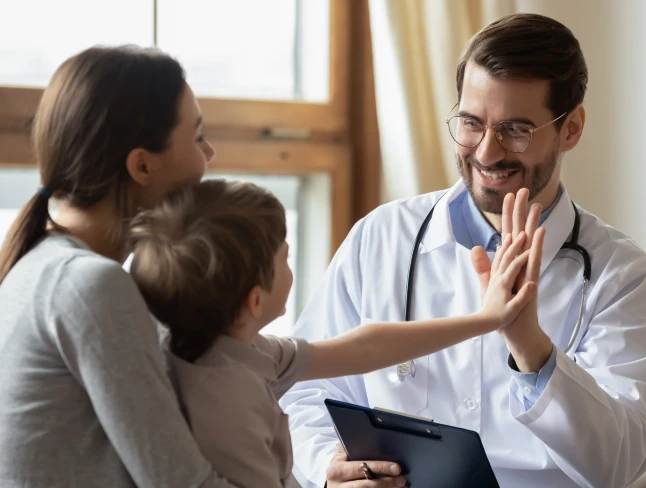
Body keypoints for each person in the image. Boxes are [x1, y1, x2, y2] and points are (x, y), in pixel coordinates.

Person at [280, 13, 646, 488]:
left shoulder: (622, 276)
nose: (487, 152)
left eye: (515, 130)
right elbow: (304, 389)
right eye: (472, 123)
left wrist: (530, 347)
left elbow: (620, 462)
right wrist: (329, 468)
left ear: (571, 128)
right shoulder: (381, 238)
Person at [127, 178, 541, 488]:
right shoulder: (227, 407)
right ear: (255, 301)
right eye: (284, 258)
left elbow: (366, 347)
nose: (292, 267)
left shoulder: (247, 351)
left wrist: (486, 320)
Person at [0, 46, 241, 487]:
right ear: (142, 165)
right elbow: (184, 484)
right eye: (197, 136)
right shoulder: (88, 285)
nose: (209, 154)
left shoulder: (40, 265)